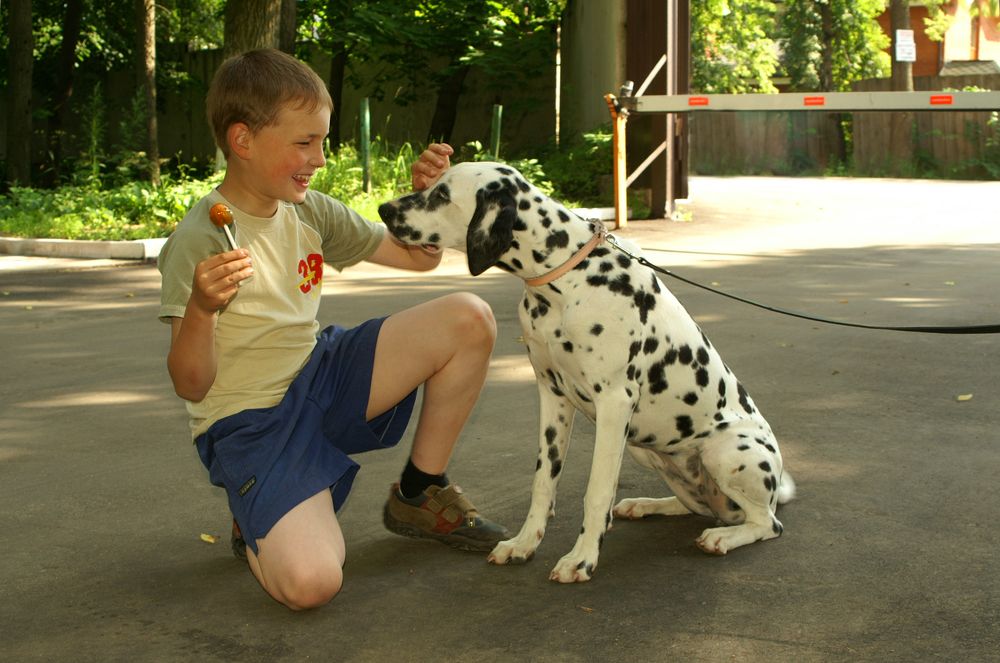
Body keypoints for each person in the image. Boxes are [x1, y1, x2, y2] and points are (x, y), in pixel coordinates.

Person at [158, 48, 508, 611]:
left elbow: (419, 261)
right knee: (313, 585)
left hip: (322, 373)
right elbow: (192, 385)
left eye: (322, 140)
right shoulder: (200, 239)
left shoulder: (309, 210)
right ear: (242, 140)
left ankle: (420, 492)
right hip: (252, 422)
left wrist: (427, 201)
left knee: (469, 317)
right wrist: (200, 309)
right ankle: (258, 515)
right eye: (304, 143)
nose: (319, 158)